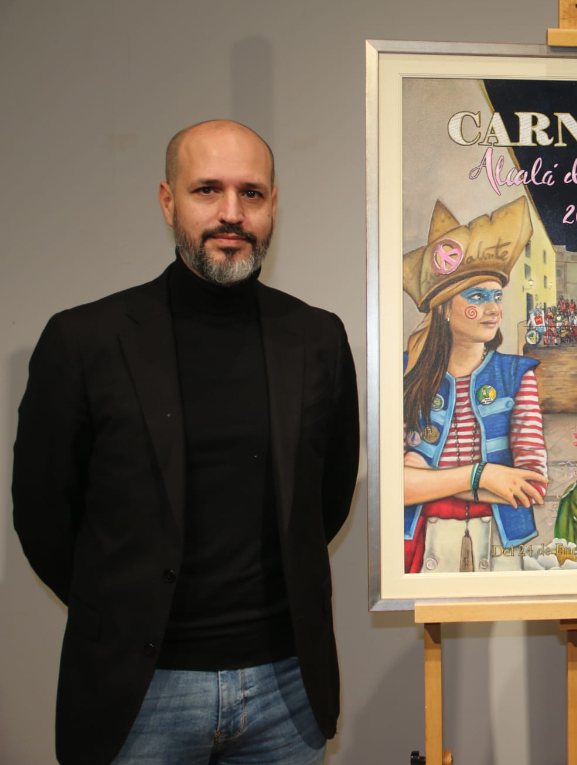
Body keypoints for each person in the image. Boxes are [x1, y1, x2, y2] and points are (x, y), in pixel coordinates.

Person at [12, 120, 360, 765]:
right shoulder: (84, 340)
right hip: (140, 697)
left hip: (286, 689)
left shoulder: (317, 338)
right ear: (168, 201)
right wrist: (121, 611)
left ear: (273, 205)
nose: (232, 213)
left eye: (251, 193)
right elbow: (43, 517)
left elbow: (327, 500)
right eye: (207, 190)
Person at [400, 197, 549, 573]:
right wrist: (485, 475)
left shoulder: (516, 375)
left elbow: (533, 485)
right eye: (477, 297)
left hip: (500, 541)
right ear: (443, 308)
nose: (494, 309)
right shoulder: (407, 372)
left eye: (496, 297)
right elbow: (394, 486)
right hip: (424, 538)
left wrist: (428, 478)